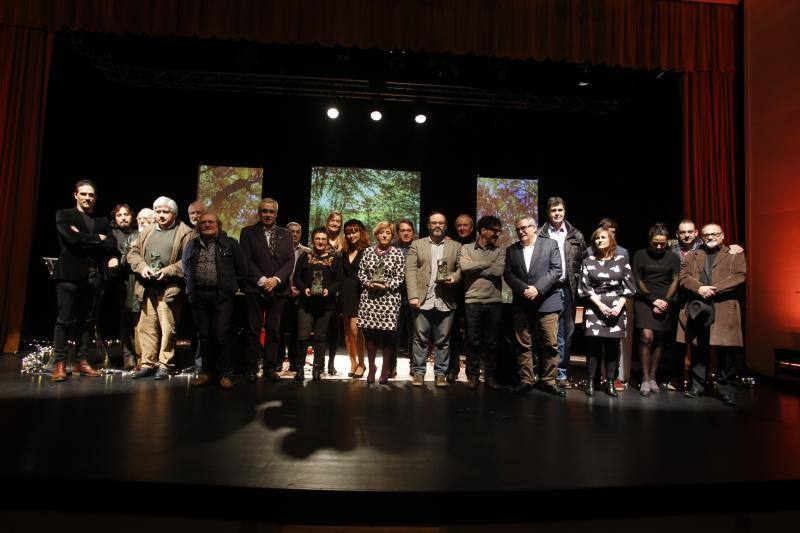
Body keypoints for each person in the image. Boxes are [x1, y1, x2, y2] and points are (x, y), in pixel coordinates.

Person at [50, 180, 118, 382]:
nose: (88, 198)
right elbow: (70, 239)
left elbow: (111, 243)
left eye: (91, 195)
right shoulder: (64, 215)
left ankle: (81, 360)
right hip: (69, 276)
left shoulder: (102, 220)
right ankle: (60, 363)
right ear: (76, 195)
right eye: (84, 194)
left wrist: (85, 237)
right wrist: (98, 239)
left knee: (87, 322)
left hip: (94, 277)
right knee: (64, 320)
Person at [677, 223, 746, 406]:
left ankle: (727, 390)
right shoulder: (692, 255)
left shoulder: (734, 253)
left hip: (724, 307)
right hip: (700, 307)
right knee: (699, 348)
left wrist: (713, 290)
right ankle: (698, 386)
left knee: (726, 352)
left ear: (722, 236)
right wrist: (699, 288)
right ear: (702, 237)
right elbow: (683, 277)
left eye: (714, 234)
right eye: (707, 235)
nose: (710, 238)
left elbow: (739, 276)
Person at [127, 196, 194, 379]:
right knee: (146, 327)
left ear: (174, 213)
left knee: (168, 328)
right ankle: (148, 363)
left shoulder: (185, 232)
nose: (161, 215)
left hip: (170, 287)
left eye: (166, 211)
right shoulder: (147, 230)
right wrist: (143, 267)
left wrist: (169, 270)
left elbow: (188, 260)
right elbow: (132, 254)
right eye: (158, 211)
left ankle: (165, 364)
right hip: (147, 286)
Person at [183, 213, 247, 389]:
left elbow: (242, 269)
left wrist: (232, 288)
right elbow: (185, 268)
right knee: (204, 336)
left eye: (211, 222)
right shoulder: (192, 245)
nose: (207, 225)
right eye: (203, 222)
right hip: (199, 295)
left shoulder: (230, 244)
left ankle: (224, 374)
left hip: (222, 296)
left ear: (218, 224)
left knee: (220, 336)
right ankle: (206, 372)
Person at [503, 216, 564, 397]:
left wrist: (537, 288)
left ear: (534, 227)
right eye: (518, 229)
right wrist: (525, 290)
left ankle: (549, 381)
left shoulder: (550, 244)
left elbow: (556, 270)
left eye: (524, 228)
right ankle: (526, 380)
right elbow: (508, 274)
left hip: (547, 301)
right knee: (523, 343)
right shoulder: (511, 250)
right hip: (522, 303)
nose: (521, 231)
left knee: (550, 344)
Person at [239, 198, 295, 383]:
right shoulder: (247, 232)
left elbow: (289, 261)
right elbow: (245, 260)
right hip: (255, 288)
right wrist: (263, 280)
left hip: (278, 289)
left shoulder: (286, 234)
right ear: (259, 212)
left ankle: (270, 367)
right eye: (264, 211)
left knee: (274, 331)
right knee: (253, 330)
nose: (268, 214)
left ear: (276, 214)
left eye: (271, 212)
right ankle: (250, 368)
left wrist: (276, 280)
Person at [405, 212, 462, 387]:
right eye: (434, 223)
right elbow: (410, 270)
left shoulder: (456, 246)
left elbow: (461, 268)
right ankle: (419, 372)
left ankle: (440, 374)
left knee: (443, 340)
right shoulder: (417, 244)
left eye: (441, 223)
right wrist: (413, 295)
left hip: (445, 299)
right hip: (423, 299)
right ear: (429, 225)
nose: (437, 226)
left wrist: (454, 277)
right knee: (420, 338)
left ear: (445, 226)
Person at [579, 227, 635, 398]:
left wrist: (618, 306)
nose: (599, 240)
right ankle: (590, 381)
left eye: (603, 237)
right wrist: (600, 305)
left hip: (616, 307)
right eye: (597, 238)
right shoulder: (588, 261)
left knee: (612, 347)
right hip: (594, 308)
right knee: (593, 347)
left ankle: (610, 382)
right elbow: (585, 288)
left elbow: (629, 287)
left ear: (611, 240)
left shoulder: (621, 260)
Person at [537, 197, 586, 388]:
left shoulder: (576, 235)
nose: (557, 213)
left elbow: (583, 263)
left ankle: (562, 373)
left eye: (560, 210)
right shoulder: (541, 235)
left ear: (564, 211)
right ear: (548, 213)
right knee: (548, 334)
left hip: (568, 288)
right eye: (553, 210)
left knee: (567, 333)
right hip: (547, 289)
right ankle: (546, 372)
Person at [632, 223, 681, 396]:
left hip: (666, 298)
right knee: (647, 336)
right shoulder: (640, 255)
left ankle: (653, 376)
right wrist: (653, 300)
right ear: (649, 241)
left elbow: (675, 279)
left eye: (663, 243)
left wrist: (666, 300)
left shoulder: (673, 257)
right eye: (655, 243)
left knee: (660, 339)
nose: (659, 246)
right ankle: (644, 378)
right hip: (645, 299)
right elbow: (637, 279)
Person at [356, 221, 405, 384]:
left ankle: (385, 369)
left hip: (389, 299)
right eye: (382, 232)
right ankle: (372, 368)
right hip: (369, 298)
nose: (385, 235)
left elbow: (399, 276)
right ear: (376, 234)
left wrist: (387, 285)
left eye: (388, 233)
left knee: (387, 336)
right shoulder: (368, 252)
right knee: (369, 335)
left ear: (392, 236)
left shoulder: (397, 253)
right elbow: (361, 272)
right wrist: (368, 283)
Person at [460, 215, 505, 390]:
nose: (497, 234)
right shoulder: (467, 248)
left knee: (492, 342)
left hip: (494, 301)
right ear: (483, 231)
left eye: (499, 231)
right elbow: (464, 268)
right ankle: (472, 376)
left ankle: (491, 376)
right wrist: (487, 263)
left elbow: (499, 270)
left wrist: (476, 267)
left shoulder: (500, 250)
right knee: (473, 340)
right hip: (472, 301)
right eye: (494, 230)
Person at [293, 227, 342, 382]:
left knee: (320, 338)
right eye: (317, 239)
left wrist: (329, 290)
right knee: (302, 337)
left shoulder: (334, 260)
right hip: (306, 304)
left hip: (326, 305)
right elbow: (297, 277)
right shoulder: (305, 256)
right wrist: (304, 288)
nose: (320, 242)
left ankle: (317, 370)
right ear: (313, 240)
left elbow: (338, 281)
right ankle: (299, 369)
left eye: (323, 239)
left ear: (327, 241)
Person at [278, 221, 311, 375]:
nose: (295, 234)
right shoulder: (279, 249)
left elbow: (309, 276)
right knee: (279, 330)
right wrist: (286, 287)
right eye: (292, 231)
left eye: (298, 231)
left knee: (297, 331)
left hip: (300, 296)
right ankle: (277, 361)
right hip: (281, 293)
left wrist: (300, 289)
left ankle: (293, 362)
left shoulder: (307, 252)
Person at [109, 203, 137, 369]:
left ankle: (141, 355)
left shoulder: (139, 233)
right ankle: (128, 356)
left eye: (126, 214)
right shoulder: (112, 235)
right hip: (124, 281)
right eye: (119, 215)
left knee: (139, 320)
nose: (123, 217)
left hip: (140, 279)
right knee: (127, 318)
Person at [340, 219, 369, 378]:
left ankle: (362, 364)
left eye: (355, 231)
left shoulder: (368, 251)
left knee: (355, 330)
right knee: (346, 331)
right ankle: (353, 362)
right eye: (348, 232)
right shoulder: (343, 252)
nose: (351, 235)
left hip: (360, 293)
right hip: (345, 293)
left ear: (361, 232)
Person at [447, 214, 474, 382]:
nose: (462, 228)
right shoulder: (451, 245)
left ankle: (472, 371)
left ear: (471, 228)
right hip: (454, 295)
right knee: (453, 334)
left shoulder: (478, 245)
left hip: (473, 295)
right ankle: (452, 369)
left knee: (473, 335)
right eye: (459, 226)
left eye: (465, 225)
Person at [391, 219, 416, 377]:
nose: (406, 233)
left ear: (413, 232)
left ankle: (414, 366)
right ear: (398, 233)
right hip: (395, 296)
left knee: (414, 333)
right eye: (402, 230)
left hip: (414, 296)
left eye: (409, 230)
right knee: (395, 333)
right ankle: (391, 366)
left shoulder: (419, 246)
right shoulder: (392, 248)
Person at [323, 211, 345, 375]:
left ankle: (331, 362)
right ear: (328, 221)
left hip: (339, 290)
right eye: (333, 220)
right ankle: (320, 362)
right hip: (320, 289)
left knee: (334, 329)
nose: (335, 223)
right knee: (321, 328)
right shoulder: (320, 236)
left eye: (338, 221)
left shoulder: (344, 241)